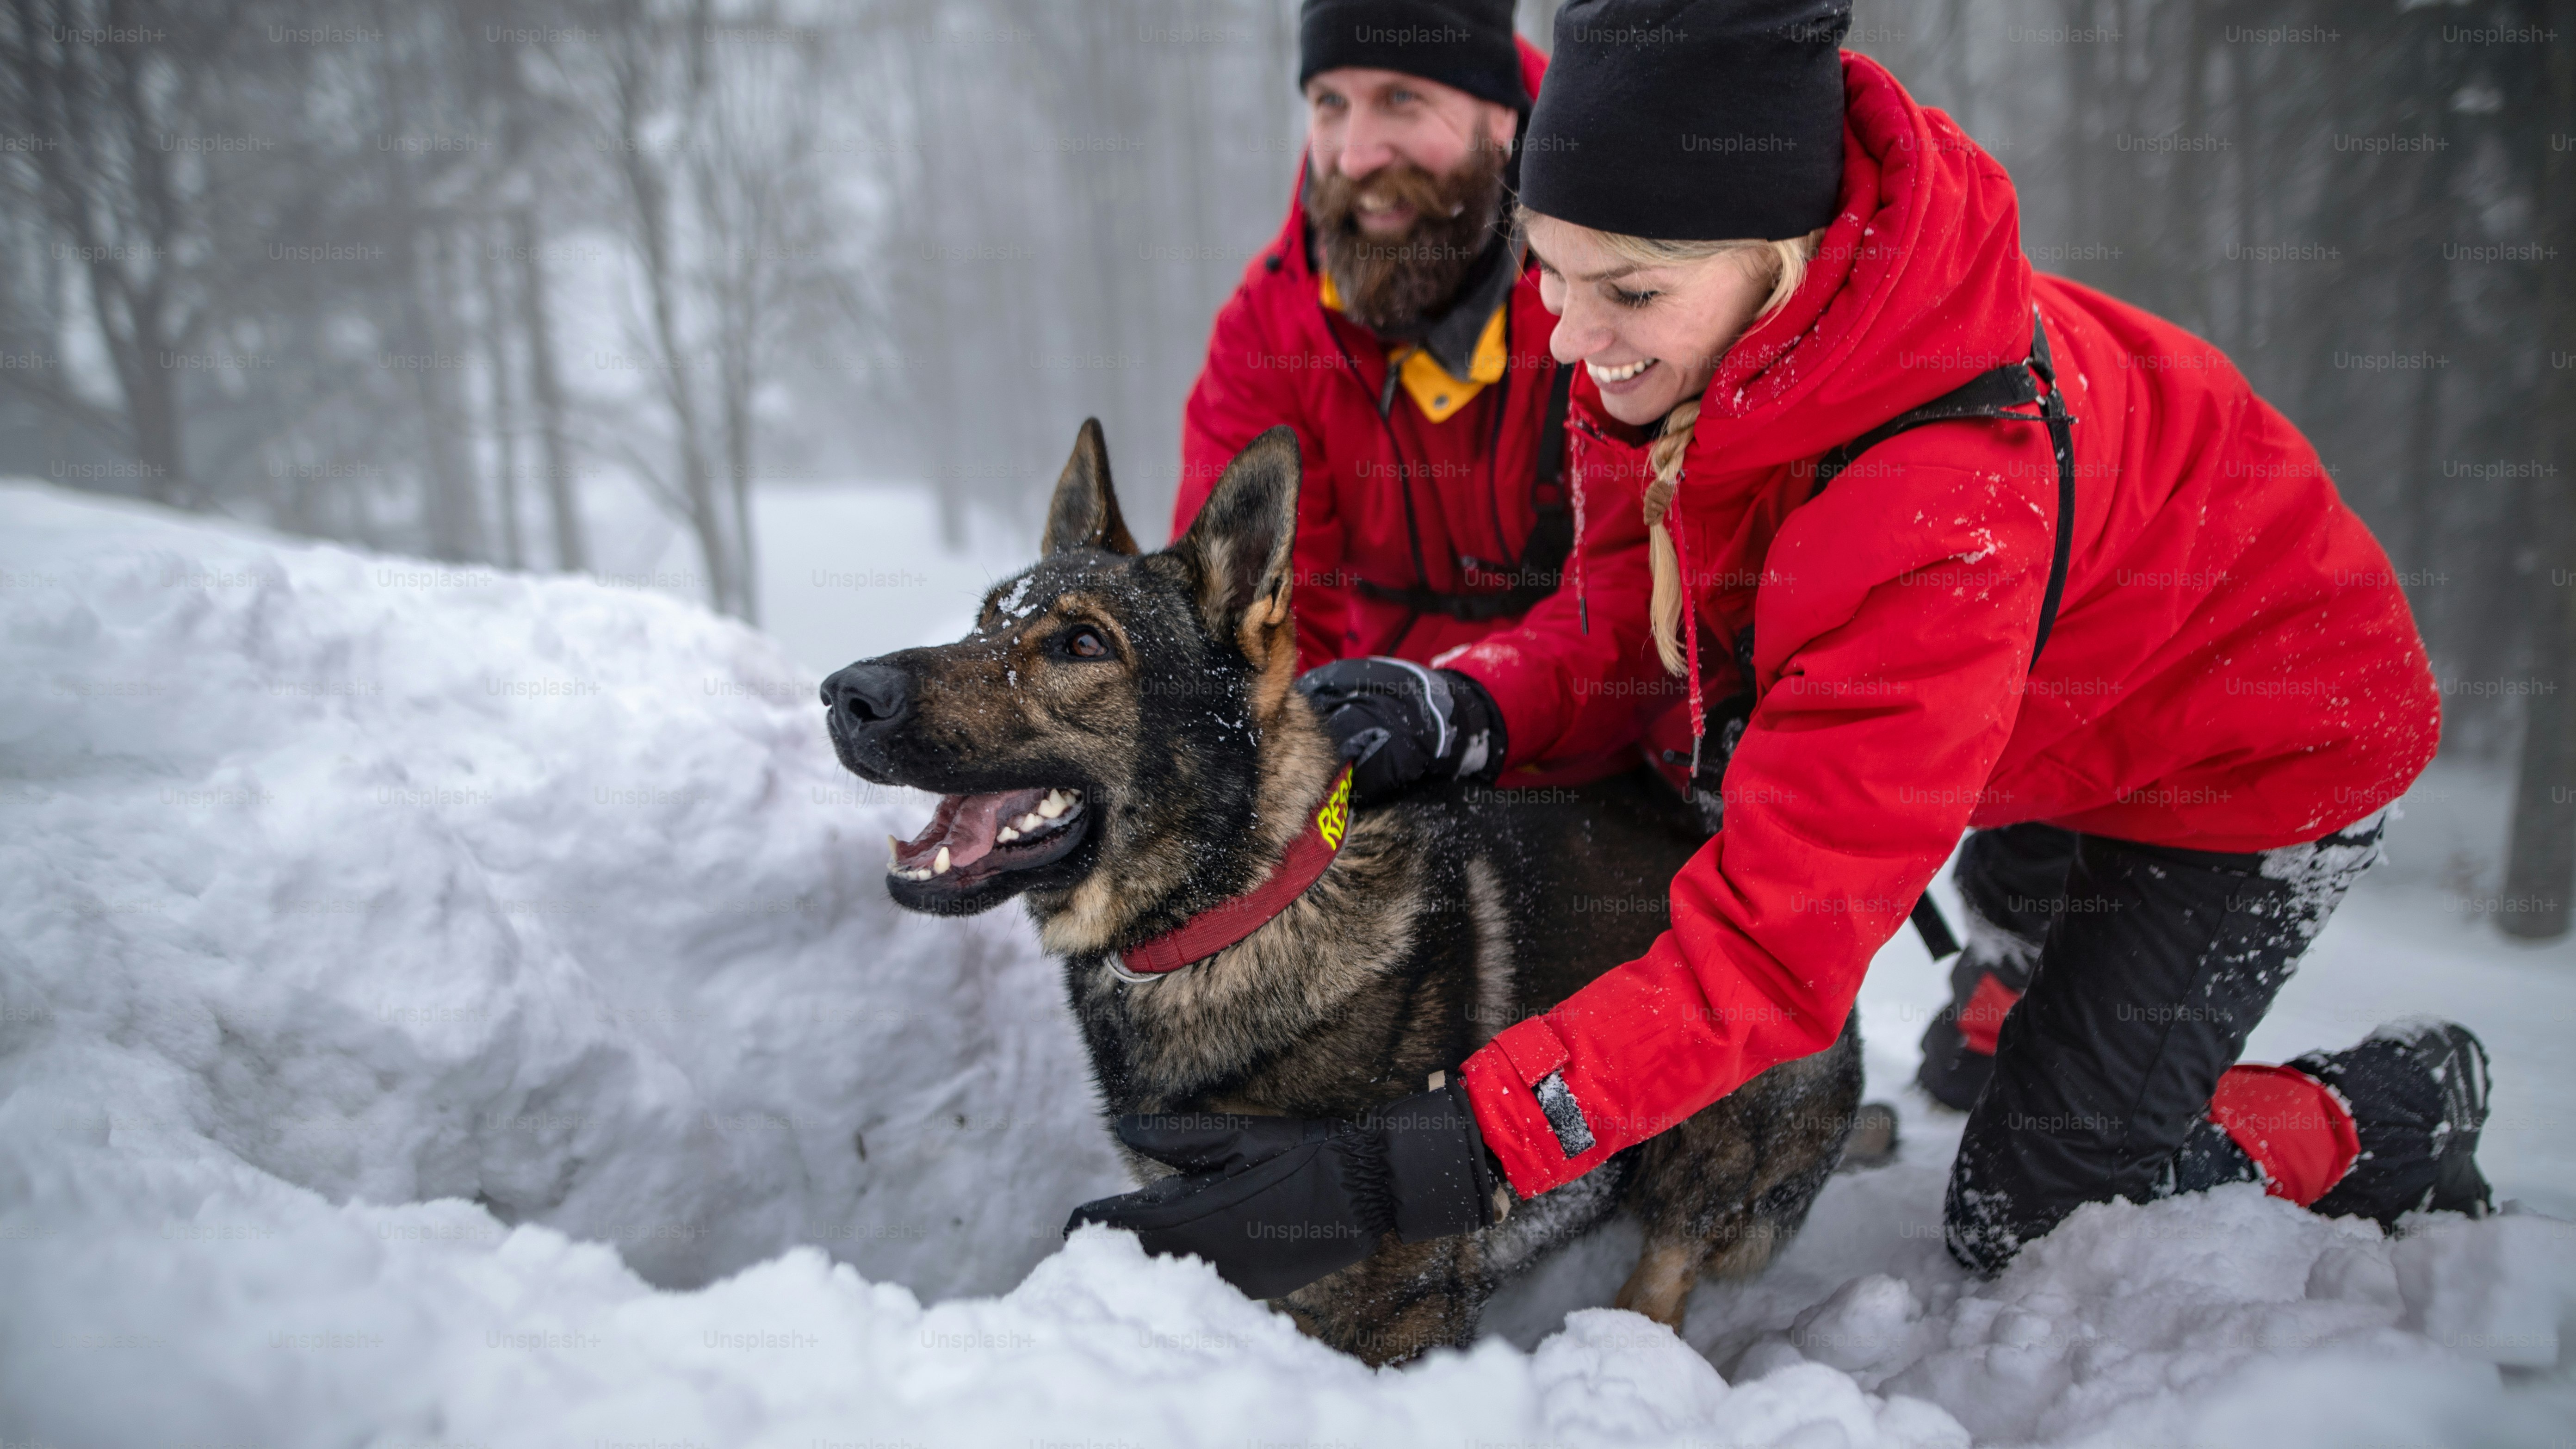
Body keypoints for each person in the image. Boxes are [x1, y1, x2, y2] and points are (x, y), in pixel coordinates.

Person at [1077, 0, 2492, 1290]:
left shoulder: (1937, 508)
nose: (1569, 339)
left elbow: (1767, 952)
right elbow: (1632, 636)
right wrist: (1470, 707)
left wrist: (1433, 1157)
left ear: (1780, 260)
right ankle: (2027, 988)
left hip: (2256, 738)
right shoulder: (1687, 354)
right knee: (1996, 1034)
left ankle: (2390, 1104)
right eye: (1550, 274)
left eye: (1626, 293)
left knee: (2039, 1207)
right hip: (2058, 691)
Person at [1176, 0, 1663, 789]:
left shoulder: (1626, 281)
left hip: (1613, 770)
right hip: (1370, 762)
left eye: (1402, 98)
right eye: (1330, 102)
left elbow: (1644, 592)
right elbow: (1243, 624)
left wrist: (1463, 709)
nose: (1357, 154)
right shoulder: (1269, 331)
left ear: (1501, 116)